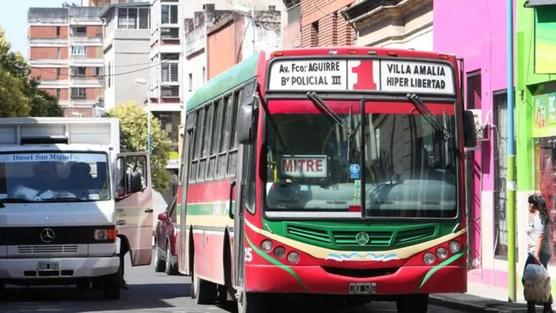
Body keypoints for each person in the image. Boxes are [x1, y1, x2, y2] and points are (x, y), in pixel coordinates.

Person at [525, 194, 553, 313]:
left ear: (533, 205)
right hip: (536, 252)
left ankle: (533, 308)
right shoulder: (538, 217)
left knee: (529, 279)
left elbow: (540, 237)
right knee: (539, 280)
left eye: (530, 203)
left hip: (538, 253)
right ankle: (547, 307)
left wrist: (536, 255)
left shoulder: (539, 219)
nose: (528, 205)